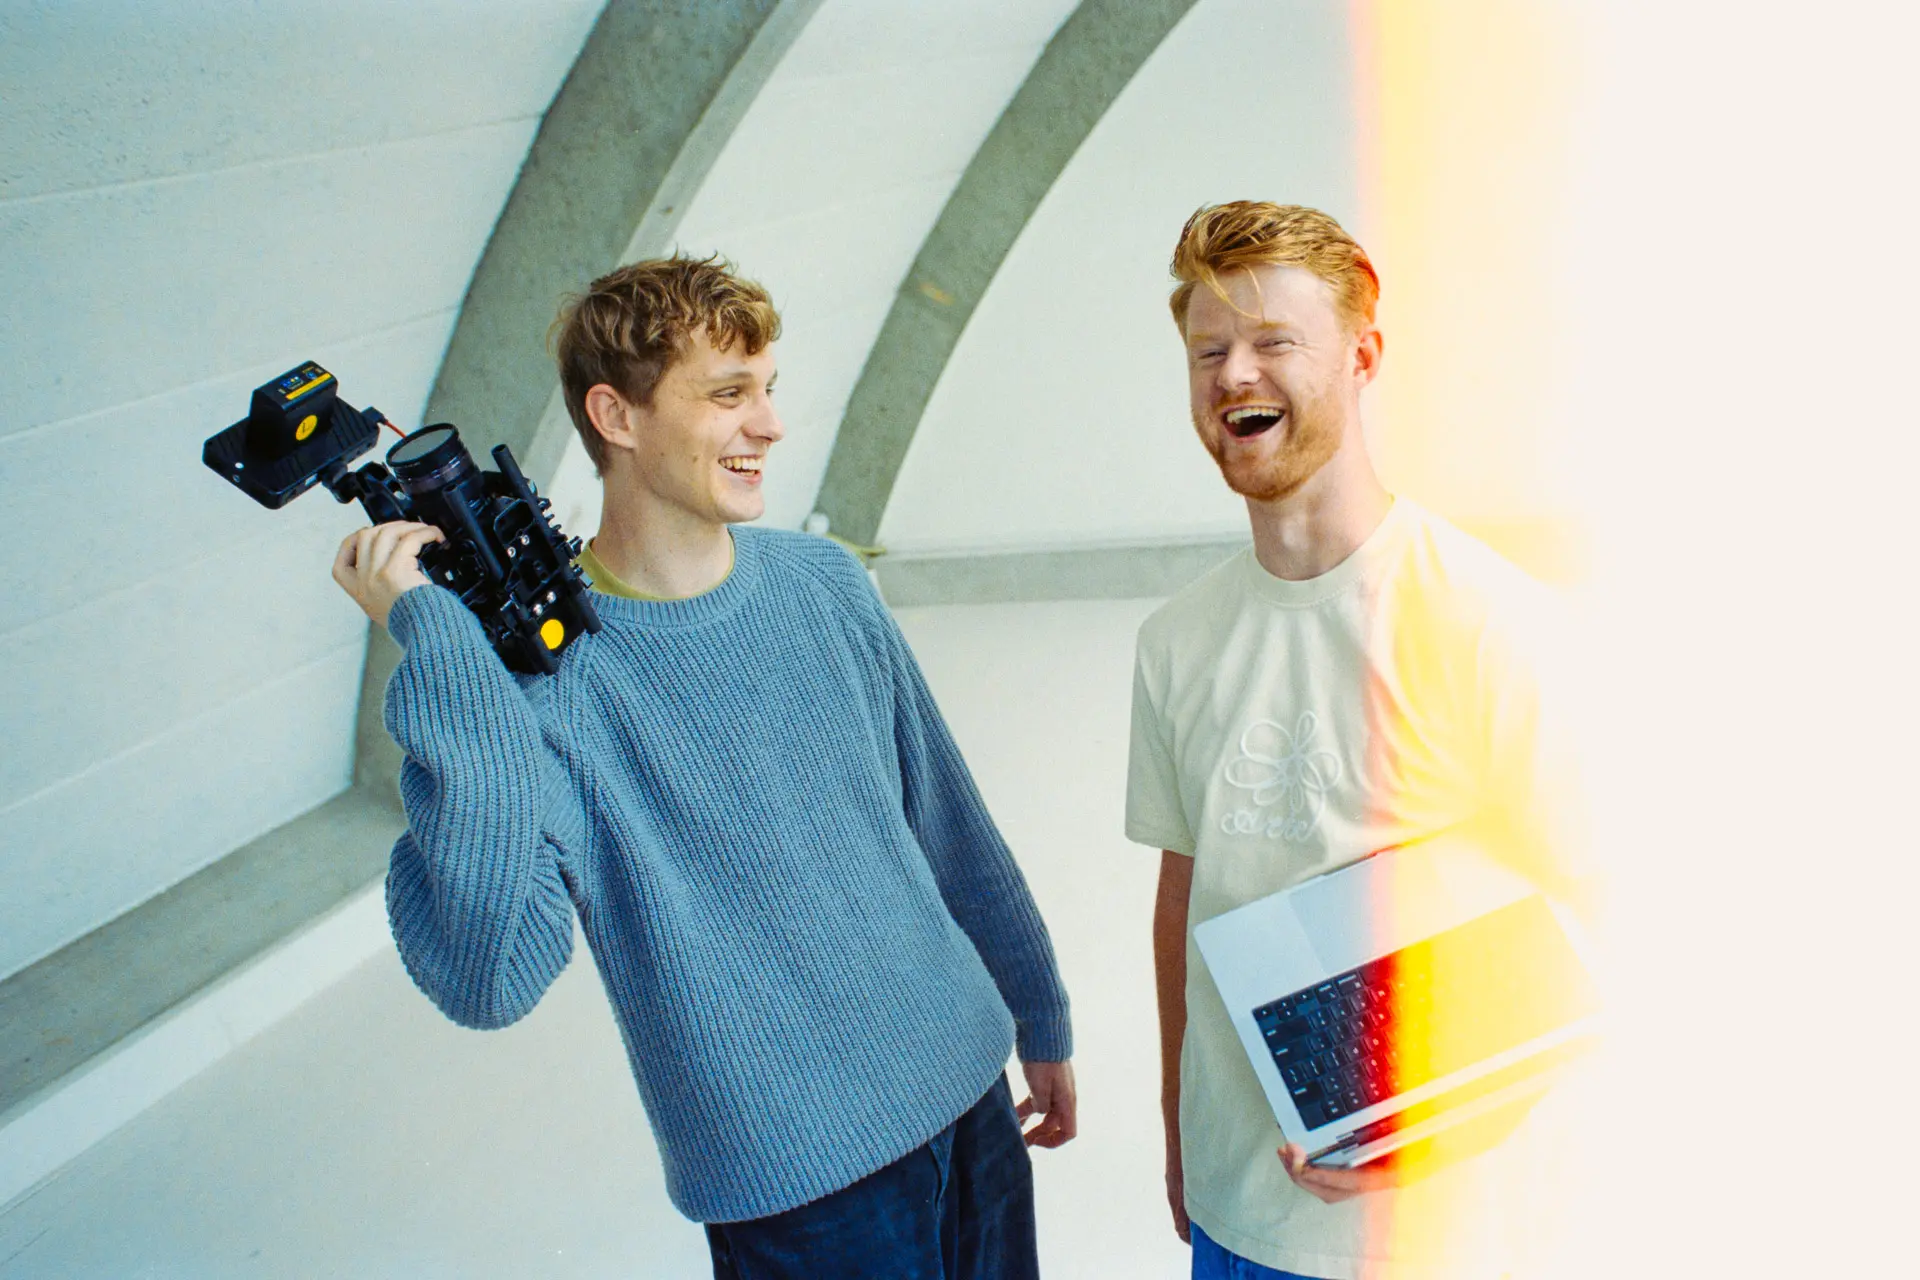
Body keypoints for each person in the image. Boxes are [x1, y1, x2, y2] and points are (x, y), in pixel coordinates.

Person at [330, 255, 1076, 1280]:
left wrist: (1038, 1006)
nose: (770, 424)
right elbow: (486, 975)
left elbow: (946, 819)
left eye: (767, 388)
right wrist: (449, 657)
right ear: (617, 416)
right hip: (798, 1182)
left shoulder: (823, 584)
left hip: (966, 1077)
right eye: (729, 394)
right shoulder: (542, 689)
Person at [1126, 203, 1587, 1279]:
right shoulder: (1176, 641)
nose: (1236, 374)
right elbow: (1185, 892)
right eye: (1209, 350)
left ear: (1363, 357)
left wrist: (1445, 1131)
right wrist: (1181, 1129)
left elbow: (1607, 906)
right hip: (1236, 1221)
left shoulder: (1486, 618)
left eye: (1274, 341)